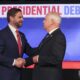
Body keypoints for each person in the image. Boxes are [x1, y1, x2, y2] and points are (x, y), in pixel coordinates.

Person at [25, 12, 66, 80]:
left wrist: (38, 59)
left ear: (52, 22)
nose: (43, 21)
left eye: (45, 19)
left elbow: (56, 59)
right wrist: (25, 61)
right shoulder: (49, 35)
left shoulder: (58, 36)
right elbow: (38, 52)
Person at [0, 8, 35, 80]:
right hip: (5, 76)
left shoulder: (21, 35)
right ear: (11, 18)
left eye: (22, 17)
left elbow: (31, 51)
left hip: (20, 76)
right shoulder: (2, 34)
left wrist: (45, 47)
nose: (22, 19)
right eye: (19, 17)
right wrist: (14, 62)